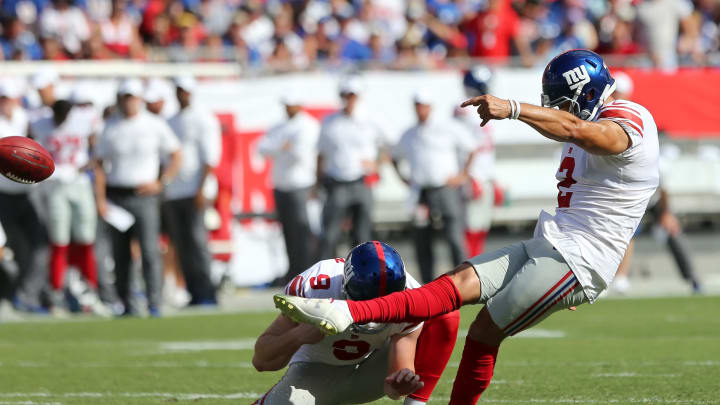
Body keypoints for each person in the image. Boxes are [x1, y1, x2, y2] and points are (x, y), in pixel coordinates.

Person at [273, 49, 660, 404]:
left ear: (587, 94)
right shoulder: (585, 121)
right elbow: (570, 126)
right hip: (554, 242)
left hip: (581, 258)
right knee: (454, 281)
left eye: (562, 102)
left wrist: (512, 108)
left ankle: (349, 314)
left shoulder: (631, 117)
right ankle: (350, 312)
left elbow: (580, 130)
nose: (557, 110)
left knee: (482, 333)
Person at [254, 241, 458, 405]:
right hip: (316, 371)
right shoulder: (316, 285)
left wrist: (398, 386)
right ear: (344, 286)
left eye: (385, 306)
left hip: (372, 371)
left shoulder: (411, 295)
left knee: (444, 316)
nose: (374, 317)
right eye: (367, 304)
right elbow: (261, 361)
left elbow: (393, 382)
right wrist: (298, 336)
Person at [94, 78, 182, 317]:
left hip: (144, 195)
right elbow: (100, 165)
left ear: (139, 99)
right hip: (117, 195)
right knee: (120, 253)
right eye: (125, 97)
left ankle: (154, 301)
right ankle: (125, 302)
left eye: (132, 97)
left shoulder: (154, 124)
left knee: (150, 251)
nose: (129, 102)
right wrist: (100, 199)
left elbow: (176, 154)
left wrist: (161, 182)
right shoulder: (110, 127)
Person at [392, 91, 475, 283]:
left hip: (445, 189)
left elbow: (471, 148)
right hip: (421, 193)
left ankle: (464, 280)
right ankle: (427, 283)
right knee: (422, 240)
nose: (421, 110)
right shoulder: (409, 133)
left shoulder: (446, 128)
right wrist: (403, 179)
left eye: (424, 105)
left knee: (454, 237)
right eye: (418, 106)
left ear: (430, 107)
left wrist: (462, 175)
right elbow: (394, 156)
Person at [32, 99, 103, 314]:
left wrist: (85, 167)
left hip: (79, 184)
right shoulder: (39, 124)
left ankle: (90, 291)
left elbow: (96, 153)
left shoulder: (84, 122)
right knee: (58, 241)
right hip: (54, 187)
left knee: (86, 239)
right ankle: (56, 293)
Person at [315, 77, 387, 259]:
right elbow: (321, 153)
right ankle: (327, 278)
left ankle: (362, 278)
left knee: (362, 236)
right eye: (347, 95)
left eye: (353, 95)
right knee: (330, 234)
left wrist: (377, 165)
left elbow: (387, 144)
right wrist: (318, 182)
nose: (350, 99)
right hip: (337, 183)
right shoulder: (330, 121)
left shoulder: (371, 118)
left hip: (361, 182)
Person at [164, 76, 221, 306]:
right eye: (179, 90)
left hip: (196, 189)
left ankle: (207, 291)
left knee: (198, 243)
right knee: (182, 245)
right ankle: (193, 292)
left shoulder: (203, 118)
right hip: (175, 191)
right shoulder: (171, 120)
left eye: (185, 91)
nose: (181, 95)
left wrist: (201, 189)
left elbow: (210, 157)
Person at [257, 93, 319, 285]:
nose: (288, 109)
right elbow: (262, 148)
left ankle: (308, 272)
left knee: (303, 232)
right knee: (288, 233)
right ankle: (294, 273)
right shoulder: (279, 126)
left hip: (301, 184)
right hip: (282, 185)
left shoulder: (308, 125)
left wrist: (279, 148)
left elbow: (298, 153)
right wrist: (281, 147)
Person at [0, 78, 49, 313]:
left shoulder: (24, 117)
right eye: (3, 99)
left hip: (28, 193)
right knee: (11, 246)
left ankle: (29, 294)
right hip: (4, 194)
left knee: (39, 244)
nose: (6, 103)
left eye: (9, 98)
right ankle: (11, 295)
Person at [457, 67, 503, 257]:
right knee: (472, 227)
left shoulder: (486, 111)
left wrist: (493, 179)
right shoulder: (464, 114)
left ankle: (475, 264)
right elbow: (465, 149)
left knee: (483, 225)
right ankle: (469, 266)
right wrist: (471, 177)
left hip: (485, 177)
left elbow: (487, 151)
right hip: (475, 177)